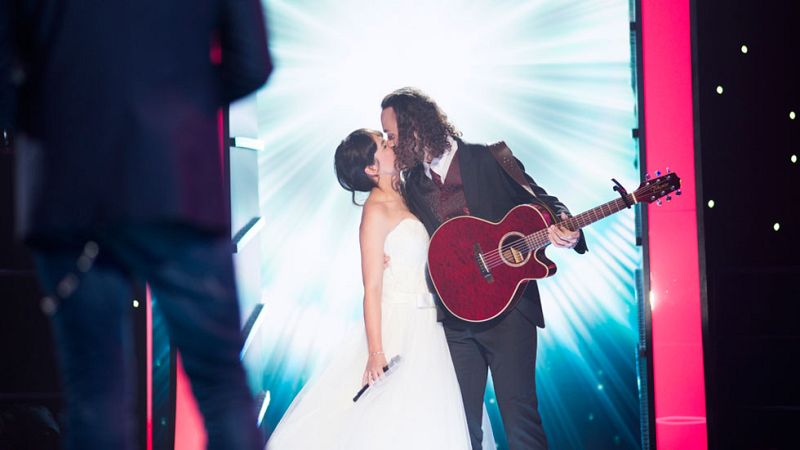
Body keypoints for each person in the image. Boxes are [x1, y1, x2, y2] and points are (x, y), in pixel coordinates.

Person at [2, 1, 272, 449]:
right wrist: (181, 112)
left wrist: (56, 122)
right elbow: (252, 62)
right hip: (176, 178)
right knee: (222, 388)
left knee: (95, 399)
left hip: (69, 186)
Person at [381, 87, 587, 450]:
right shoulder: (412, 184)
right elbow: (407, 232)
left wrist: (566, 226)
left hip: (510, 312)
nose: (390, 143)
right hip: (456, 320)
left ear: (414, 129)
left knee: (520, 419)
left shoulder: (491, 158)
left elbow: (545, 201)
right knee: (459, 426)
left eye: (392, 135)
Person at [265, 129, 495, 450]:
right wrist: (376, 352)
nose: (392, 145)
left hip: (432, 322)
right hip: (400, 322)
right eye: (383, 145)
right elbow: (371, 287)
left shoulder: (409, 191)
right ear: (371, 169)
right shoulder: (374, 212)